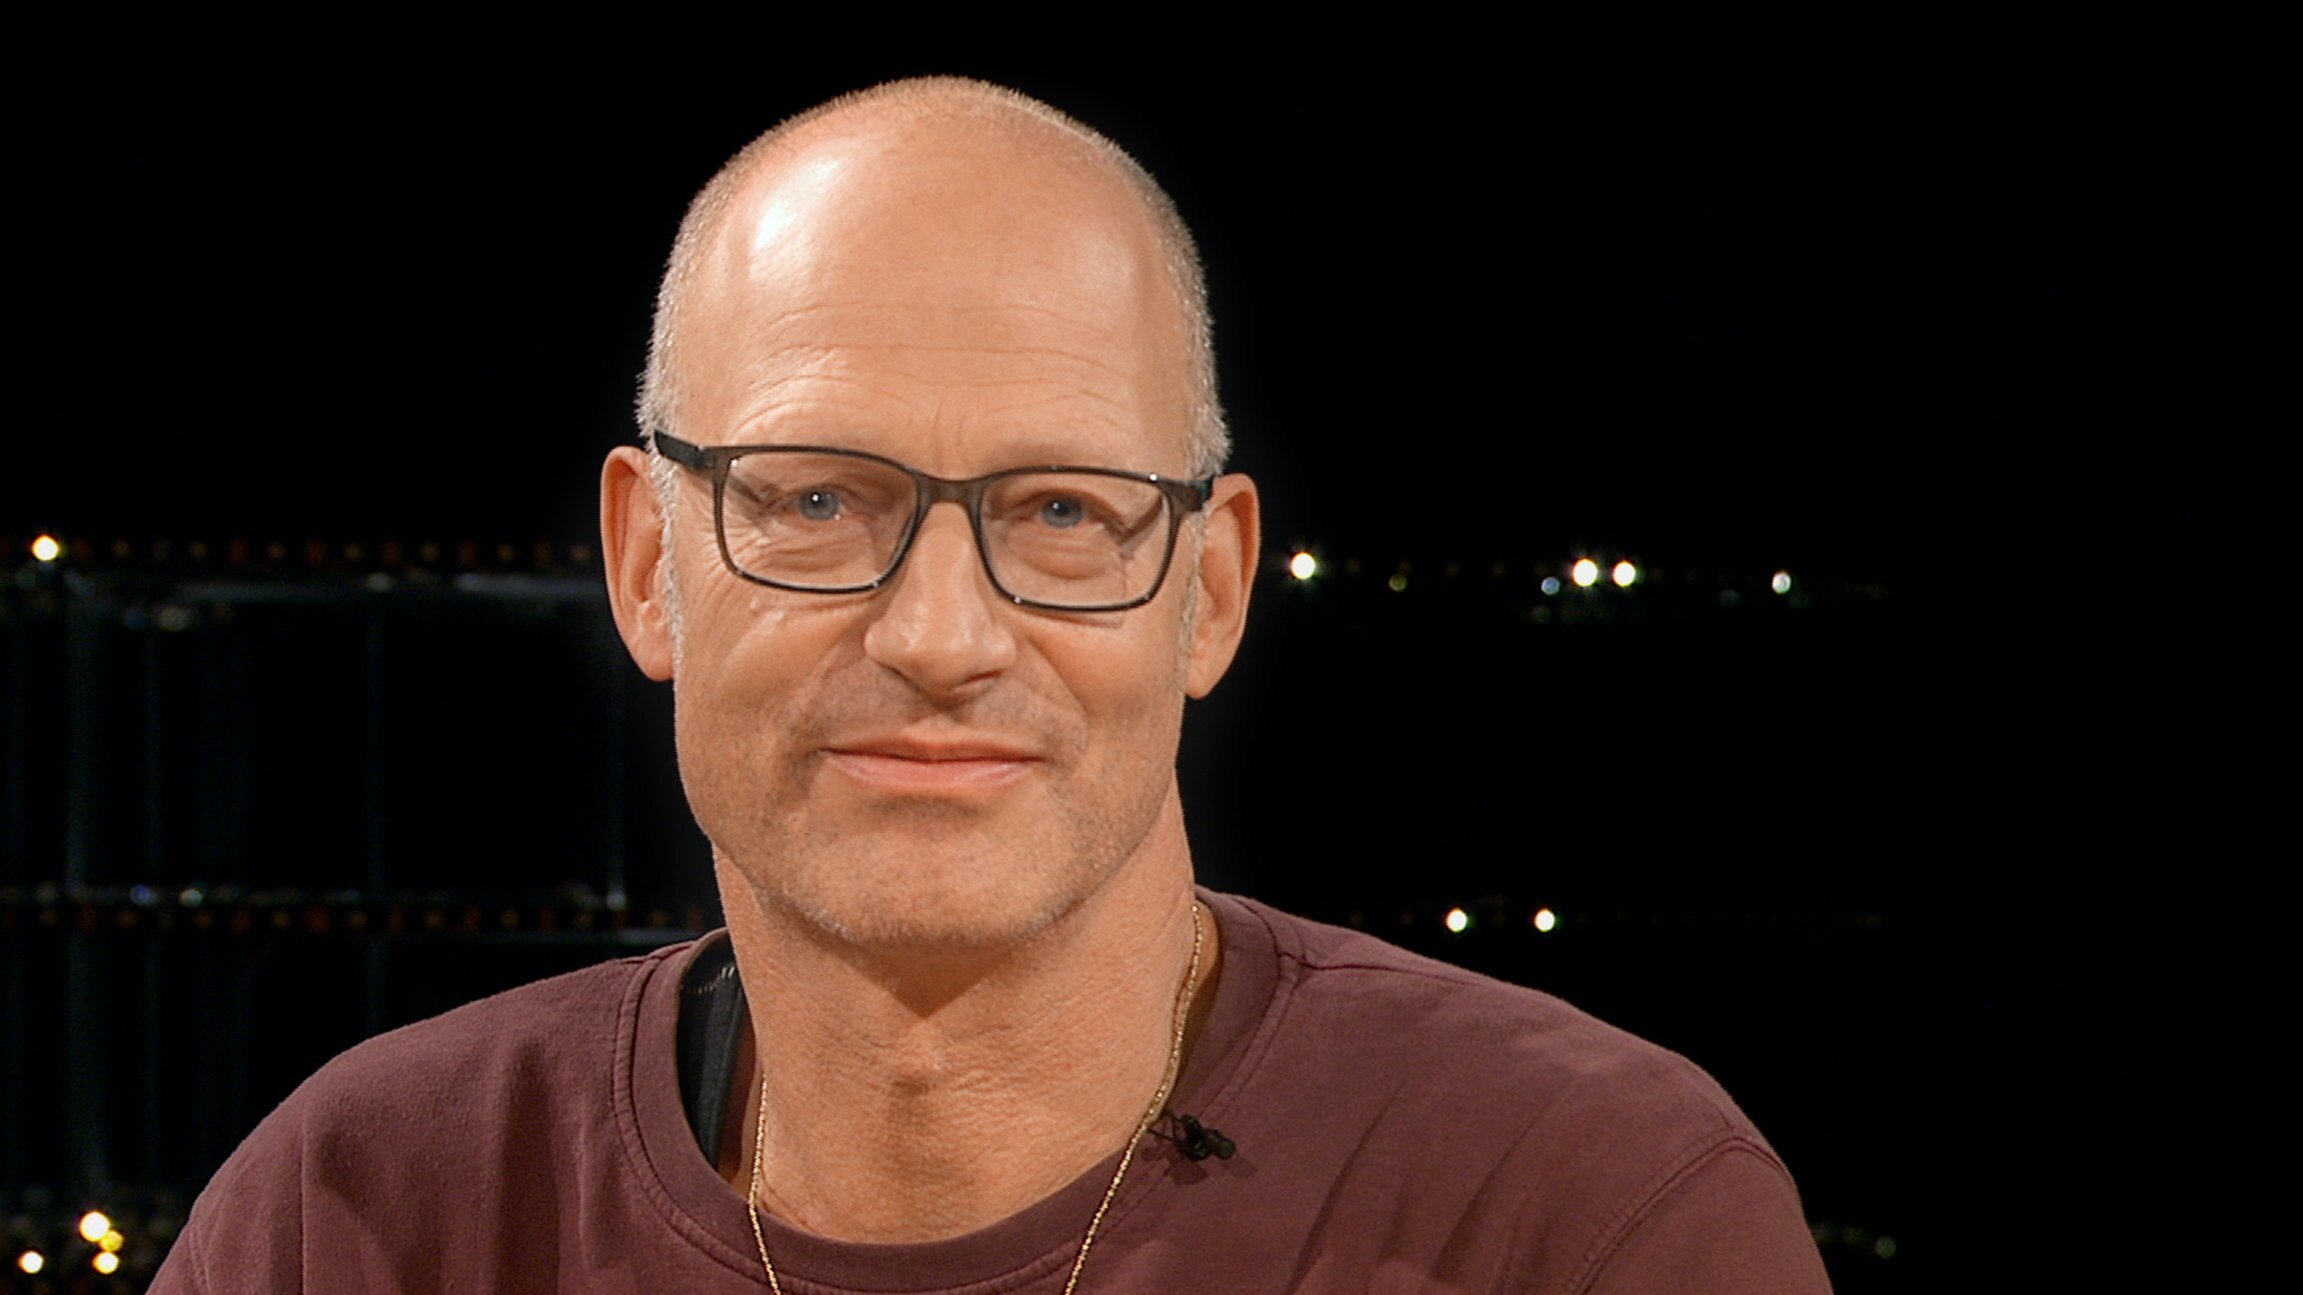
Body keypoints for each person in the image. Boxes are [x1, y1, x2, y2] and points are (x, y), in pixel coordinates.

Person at [153, 77, 1833, 1293]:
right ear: (648, 563)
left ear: (1210, 591)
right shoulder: (360, 1217)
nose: (940, 635)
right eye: (818, 500)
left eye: (1063, 514)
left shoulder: (1585, 1215)